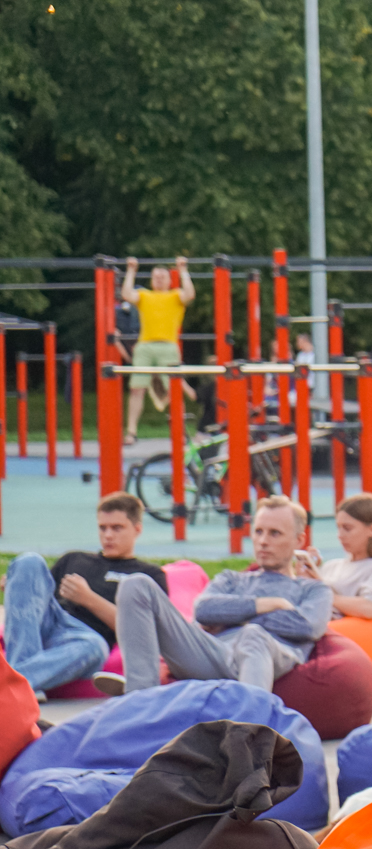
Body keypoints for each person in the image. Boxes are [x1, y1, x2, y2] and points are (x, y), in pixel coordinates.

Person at [100, 496, 332, 695]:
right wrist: (265, 604)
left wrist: (232, 616)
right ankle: (140, 696)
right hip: (211, 653)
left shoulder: (313, 589)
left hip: (263, 657)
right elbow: (203, 610)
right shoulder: (232, 579)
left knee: (253, 635)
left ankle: (249, 725)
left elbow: (307, 626)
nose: (263, 541)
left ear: (299, 540)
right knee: (135, 585)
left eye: (275, 533)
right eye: (258, 532)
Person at [2, 493, 168, 699]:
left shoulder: (147, 575)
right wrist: (18, 585)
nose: (108, 535)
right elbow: (35, 601)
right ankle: (23, 685)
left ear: (137, 529)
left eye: (117, 528)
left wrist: (88, 598)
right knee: (28, 561)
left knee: (94, 648)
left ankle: (14, 684)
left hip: (85, 638)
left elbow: (143, 630)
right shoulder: (74, 559)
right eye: (103, 528)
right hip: (51, 622)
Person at [120, 256, 196, 446]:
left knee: (174, 389)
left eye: (163, 276)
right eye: (156, 276)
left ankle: (179, 430)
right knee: (136, 388)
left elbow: (190, 294)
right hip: (145, 345)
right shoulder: (145, 295)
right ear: (151, 280)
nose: (159, 279)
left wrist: (183, 270)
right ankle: (131, 432)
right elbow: (127, 294)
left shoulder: (175, 295)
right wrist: (131, 271)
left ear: (169, 280)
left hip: (168, 345)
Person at [298, 493, 372, 619]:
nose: (340, 535)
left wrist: (324, 595)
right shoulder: (331, 566)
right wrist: (307, 574)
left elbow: (371, 607)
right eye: (338, 528)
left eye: (347, 528)